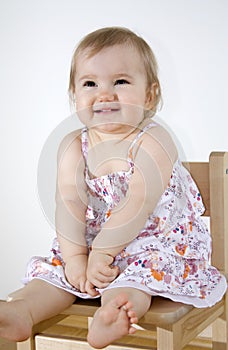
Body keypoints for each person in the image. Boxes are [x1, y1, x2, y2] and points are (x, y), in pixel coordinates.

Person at [0, 26, 227, 349]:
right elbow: (68, 202)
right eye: (90, 83)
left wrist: (103, 256)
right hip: (92, 248)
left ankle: (113, 312)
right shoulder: (72, 146)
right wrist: (77, 257)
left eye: (120, 82)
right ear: (74, 95)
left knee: (141, 273)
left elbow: (138, 201)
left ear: (149, 95)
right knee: (55, 272)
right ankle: (22, 309)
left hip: (152, 243)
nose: (105, 94)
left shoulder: (154, 140)